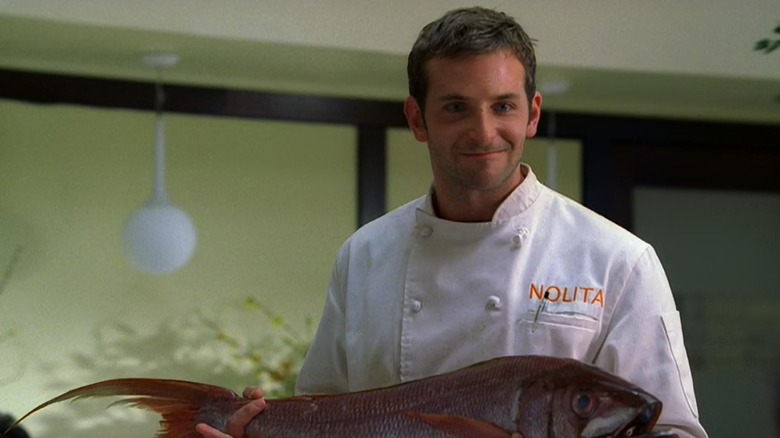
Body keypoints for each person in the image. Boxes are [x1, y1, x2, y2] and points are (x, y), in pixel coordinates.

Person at [197, 6, 708, 438]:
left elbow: (674, 431)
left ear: (532, 114)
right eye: (456, 108)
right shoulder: (366, 254)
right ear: (417, 119)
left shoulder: (617, 260)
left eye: (502, 106)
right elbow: (325, 413)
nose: (483, 132)